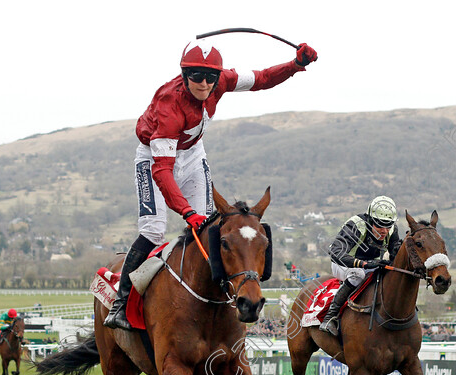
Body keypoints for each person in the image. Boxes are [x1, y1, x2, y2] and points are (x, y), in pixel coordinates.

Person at [103, 38, 318, 330]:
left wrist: (296, 65)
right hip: (155, 157)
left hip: (192, 153)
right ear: (184, 75)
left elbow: (262, 79)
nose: (203, 84)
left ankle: (221, 298)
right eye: (196, 76)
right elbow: (163, 172)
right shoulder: (170, 106)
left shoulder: (221, 80)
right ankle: (120, 303)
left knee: (208, 227)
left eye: (210, 77)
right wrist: (185, 211)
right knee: (154, 230)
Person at [320, 196, 402, 336]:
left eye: (388, 225)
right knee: (358, 274)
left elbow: (395, 257)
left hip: (371, 265)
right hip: (343, 264)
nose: (384, 230)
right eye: (379, 224)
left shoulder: (392, 230)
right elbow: (335, 252)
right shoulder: (356, 225)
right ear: (370, 220)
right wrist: (364, 264)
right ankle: (330, 317)